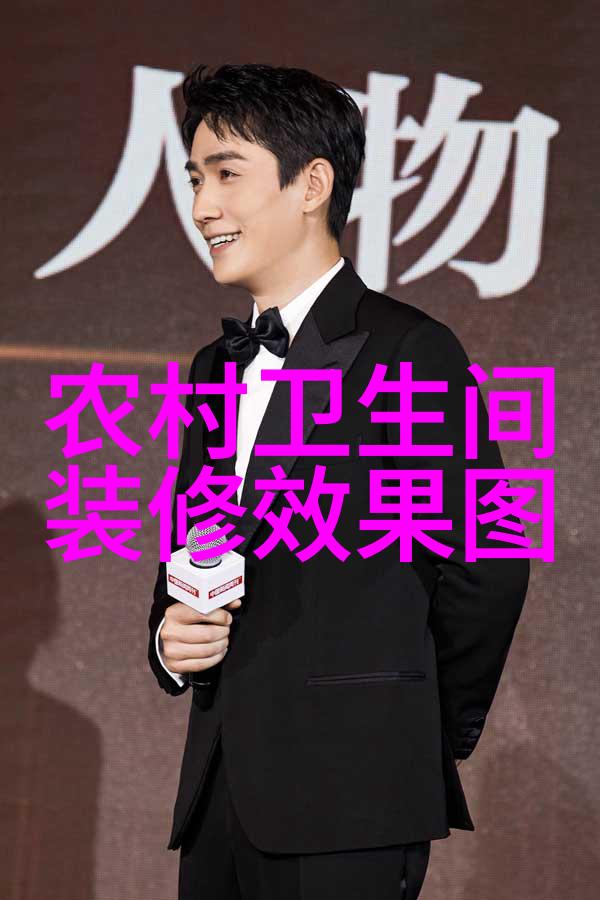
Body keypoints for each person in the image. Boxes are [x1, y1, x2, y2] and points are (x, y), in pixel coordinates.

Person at [148, 63, 529, 900]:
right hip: (218, 799)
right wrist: (170, 643)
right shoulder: (215, 367)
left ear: (312, 183)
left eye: (226, 174)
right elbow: (191, 549)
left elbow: (489, 562)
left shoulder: (410, 350)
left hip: (351, 799)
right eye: (196, 179)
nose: (203, 205)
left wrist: (402, 727)